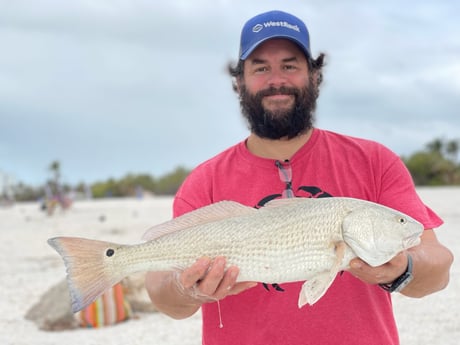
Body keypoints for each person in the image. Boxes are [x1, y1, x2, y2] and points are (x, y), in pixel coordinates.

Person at [145, 10, 453, 345]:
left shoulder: (375, 161)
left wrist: (403, 268)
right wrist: (186, 289)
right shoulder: (204, 181)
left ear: (315, 76)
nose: (276, 80)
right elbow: (164, 295)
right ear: (239, 81)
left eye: (290, 65)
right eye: (261, 67)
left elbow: (437, 268)